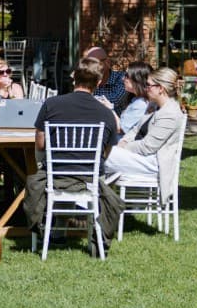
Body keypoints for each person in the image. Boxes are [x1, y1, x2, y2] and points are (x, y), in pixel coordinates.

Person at [23, 57, 123, 254]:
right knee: (95, 168)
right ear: (99, 82)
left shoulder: (51, 104)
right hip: (90, 177)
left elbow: (40, 144)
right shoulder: (106, 114)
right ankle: (94, 235)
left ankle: (55, 231)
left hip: (55, 174)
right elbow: (105, 154)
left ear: (73, 78)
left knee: (45, 161)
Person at [104, 68, 185, 180]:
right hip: (138, 155)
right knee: (99, 152)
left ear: (160, 88)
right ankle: (97, 191)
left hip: (153, 163)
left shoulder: (170, 114)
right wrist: (123, 141)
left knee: (98, 156)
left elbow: (148, 147)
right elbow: (135, 130)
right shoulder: (153, 105)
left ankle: (89, 191)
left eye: (148, 85)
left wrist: (123, 146)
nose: (145, 88)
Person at [116, 62, 155, 135]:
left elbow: (121, 129)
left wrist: (109, 110)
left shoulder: (141, 104)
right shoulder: (136, 99)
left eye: (127, 76)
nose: (123, 78)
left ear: (137, 79)